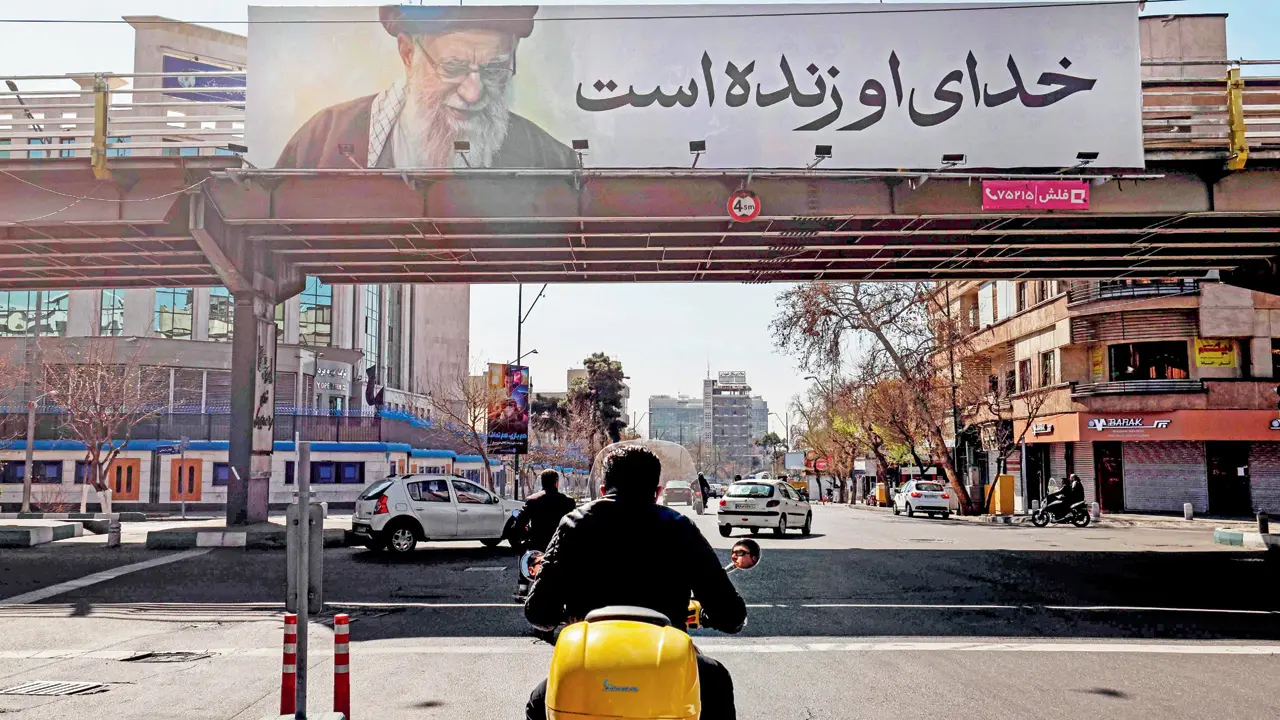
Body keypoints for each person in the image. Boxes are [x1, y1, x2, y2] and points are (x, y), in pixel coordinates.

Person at [524, 445, 746, 720]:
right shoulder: (679, 527)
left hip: (590, 662)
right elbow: (732, 615)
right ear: (657, 492)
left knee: (538, 704)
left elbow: (538, 612)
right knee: (717, 681)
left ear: (604, 490)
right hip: (666, 663)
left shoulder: (574, 523)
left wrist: (567, 615)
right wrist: (710, 614)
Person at [276, 5, 576, 170]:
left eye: (494, 69)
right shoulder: (323, 139)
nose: (473, 93)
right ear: (408, 54)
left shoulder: (552, 161)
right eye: (453, 67)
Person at [515, 469, 577, 552]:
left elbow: (519, 523)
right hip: (560, 545)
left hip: (538, 546)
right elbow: (574, 524)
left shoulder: (533, 500)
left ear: (542, 482)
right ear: (556, 483)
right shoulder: (569, 501)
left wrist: (528, 537)